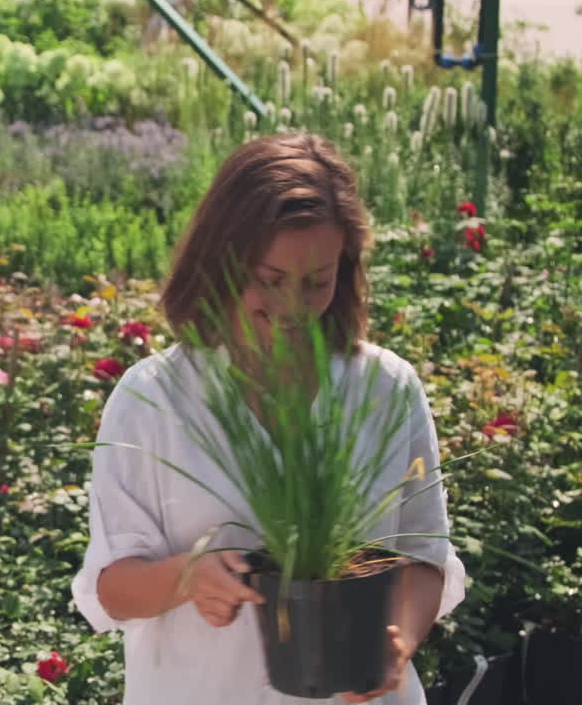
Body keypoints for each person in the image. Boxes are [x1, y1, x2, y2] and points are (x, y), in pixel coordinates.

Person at [71, 133, 465, 704]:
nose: (291, 306)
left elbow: (423, 558)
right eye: (270, 279)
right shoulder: (154, 398)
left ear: (345, 267)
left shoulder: (384, 388)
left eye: (317, 282)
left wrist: (396, 643)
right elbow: (112, 587)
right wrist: (188, 576)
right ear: (222, 258)